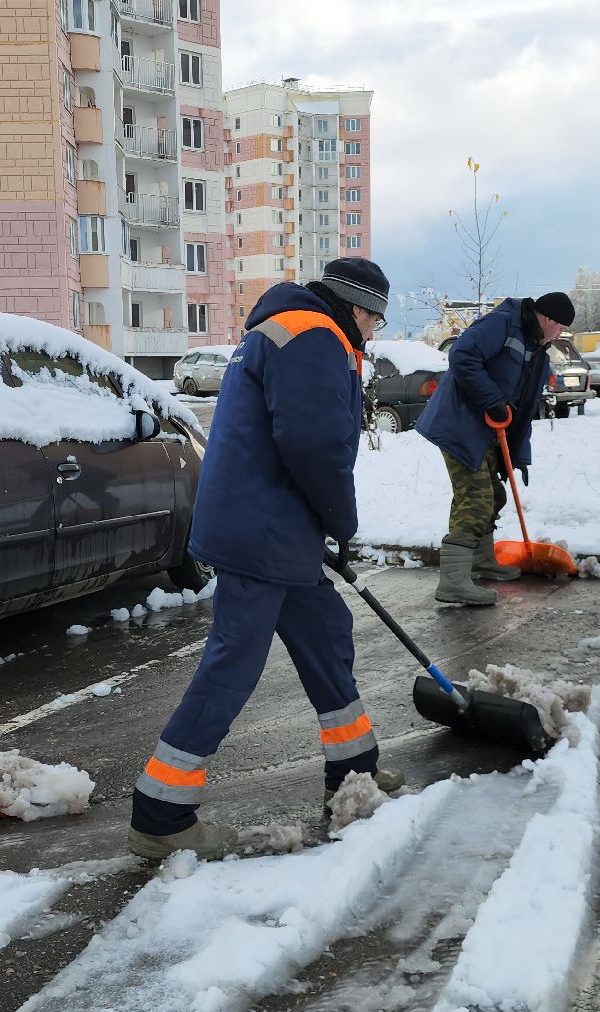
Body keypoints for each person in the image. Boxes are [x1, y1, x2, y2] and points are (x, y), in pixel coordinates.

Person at [127, 258, 402, 860]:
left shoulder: (285, 327)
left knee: (326, 635)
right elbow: (315, 445)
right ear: (359, 308)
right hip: (263, 531)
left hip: (273, 523)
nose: (373, 332)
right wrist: (341, 521)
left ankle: (353, 772)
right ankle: (161, 813)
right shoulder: (313, 335)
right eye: (375, 320)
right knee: (234, 662)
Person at [415, 292, 573, 606]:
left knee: (494, 496)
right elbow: (462, 355)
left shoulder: (537, 352)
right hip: (459, 424)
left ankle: (481, 560)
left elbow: (523, 410)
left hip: (486, 431)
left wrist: (518, 455)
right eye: (560, 328)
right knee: (476, 499)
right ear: (548, 319)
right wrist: (491, 400)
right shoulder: (504, 323)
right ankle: (453, 582)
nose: (559, 335)